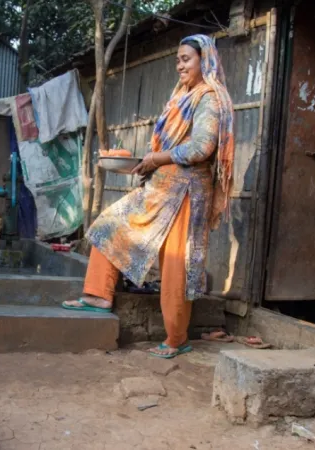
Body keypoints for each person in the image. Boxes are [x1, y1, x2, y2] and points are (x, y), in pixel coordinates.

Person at [62, 34, 235, 359]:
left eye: (187, 59)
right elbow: (169, 148)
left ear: (205, 60)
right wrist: (146, 162)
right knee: (108, 226)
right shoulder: (180, 96)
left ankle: (175, 338)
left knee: (176, 265)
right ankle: (98, 295)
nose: (180, 65)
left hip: (187, 193)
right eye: (178, 60)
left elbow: (201, 148)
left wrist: (158, 159)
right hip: (159, 187)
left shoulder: (209, 98)